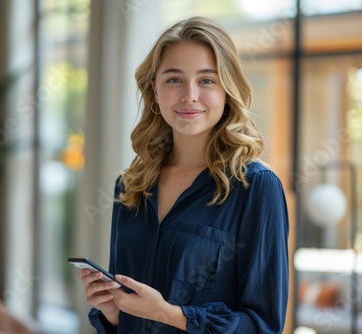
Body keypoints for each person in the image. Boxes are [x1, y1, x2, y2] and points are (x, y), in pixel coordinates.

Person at [78, 16, 289, 333]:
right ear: (156, 90)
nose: (190, 95)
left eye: (207, 80)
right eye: (174, 79)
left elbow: (263, 326)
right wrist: (114, 312)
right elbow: (130, 315)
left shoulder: (255, 187)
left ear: (227, 90)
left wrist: (169, 314)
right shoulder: (131, 185)